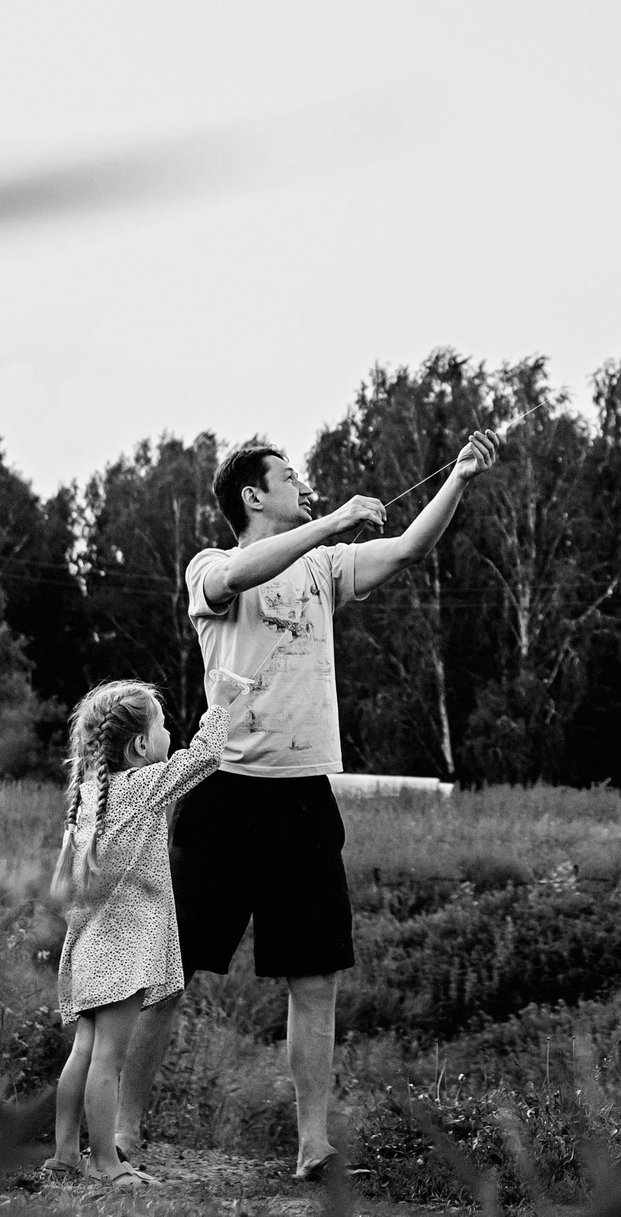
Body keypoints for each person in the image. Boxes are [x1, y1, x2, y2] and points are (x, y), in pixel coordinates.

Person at [115, 431, 498, 1182]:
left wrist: (457, 478)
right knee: (171, 973)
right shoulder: (212, 569)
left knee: (316, 977)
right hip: (223, 795)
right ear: (253, 496)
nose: (302, 483)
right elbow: (248, 567)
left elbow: (409, 549)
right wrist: (334, 520)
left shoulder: (324, 567)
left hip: (304, 801)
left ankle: (312, 1146)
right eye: (289, 475)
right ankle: (122, 1130)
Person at [37, 666, 253, 1188]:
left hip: (87, 944)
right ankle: (108, 1165)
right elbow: (200, 760)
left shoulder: (88, 795)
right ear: (138, 745)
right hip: (123, 948)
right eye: (161, 727)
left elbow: (56, 887)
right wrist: (219, 705)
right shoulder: (140, 787)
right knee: (108, 1061)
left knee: (84, 1054)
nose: (169, 735)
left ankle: (65, 1155)